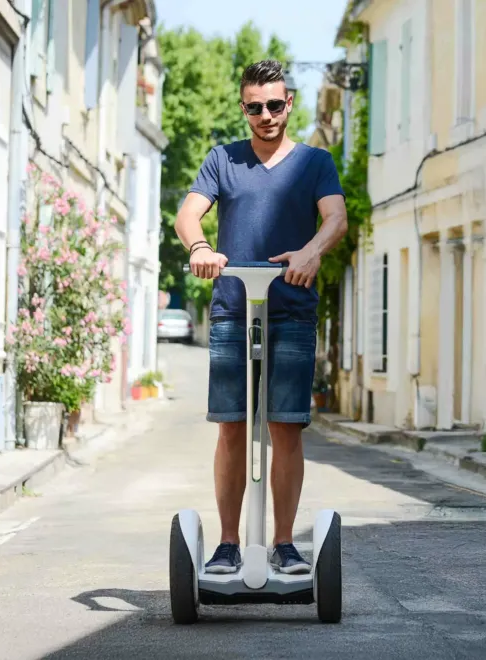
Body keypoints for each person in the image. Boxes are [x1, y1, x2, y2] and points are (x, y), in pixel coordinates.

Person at [174, 59, 348, 575]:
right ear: (244, 107)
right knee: (231, 428)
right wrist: (201, 245)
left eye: (275, 105)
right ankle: (228, 544)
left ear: (289, 103)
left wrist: (311, 252)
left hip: (291, 311)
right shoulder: (223, 160)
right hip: (232, 310)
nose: (267, 115)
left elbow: (335, 216)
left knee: (285, 428)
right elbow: (188, 213)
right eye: (256, 107)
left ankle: (283, 543)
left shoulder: (314, 162)